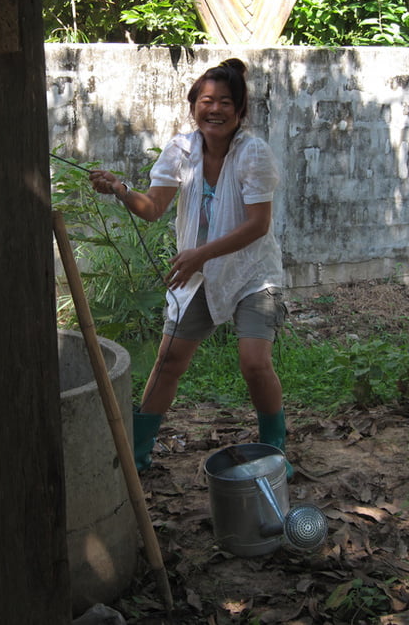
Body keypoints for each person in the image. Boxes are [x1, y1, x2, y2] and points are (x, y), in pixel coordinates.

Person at [89, 58, 291, 478]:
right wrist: (121, 190)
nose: (214, 109)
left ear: (239, 110)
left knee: (254, 362)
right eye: (205, 101)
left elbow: (258, 225)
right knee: (169, 361)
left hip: (253, 272)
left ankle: (275, 449)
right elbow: (154, 207)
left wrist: (200, 254)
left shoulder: (253, 153)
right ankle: (139, 453)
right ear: (193, 106)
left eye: (224, 102)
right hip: (198, 274)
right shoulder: (181, 150)